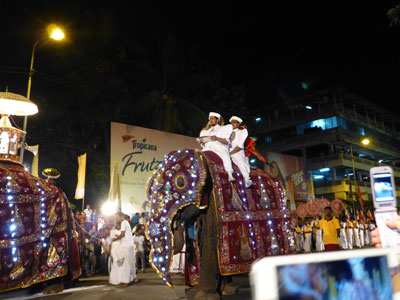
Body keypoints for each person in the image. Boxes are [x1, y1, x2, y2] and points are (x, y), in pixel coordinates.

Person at [198, 112, 234, 182]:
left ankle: (230, 174)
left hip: (219, 147)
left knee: (225, 155)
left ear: (217, 120)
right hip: (208, 148)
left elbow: (226, 141)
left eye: (212, 118)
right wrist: (202, 142)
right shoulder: (206, 131)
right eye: (210, 119)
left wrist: (217, 138)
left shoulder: (223, 128)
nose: (210, 120)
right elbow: (204, 144)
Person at [113, 212, 138, 286]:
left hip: (127, 246)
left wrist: (115, 239)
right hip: (129, 245)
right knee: (131, 262)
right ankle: (134, 278)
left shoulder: (123, 222)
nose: (116, 219)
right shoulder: (125, 223)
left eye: (117, 217)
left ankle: (126, 281)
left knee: (126, 263)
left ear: (122, 217)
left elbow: (123, 234)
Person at [228, 116, 252, 188]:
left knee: (240, 161)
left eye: (234, 122)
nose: (232, 124)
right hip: (227, 152)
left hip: (237, 152)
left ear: (239, 124)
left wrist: (229, 154)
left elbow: (239, 146)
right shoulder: (227, 132)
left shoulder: (242, 131)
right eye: (231, 122)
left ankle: (247, 179)